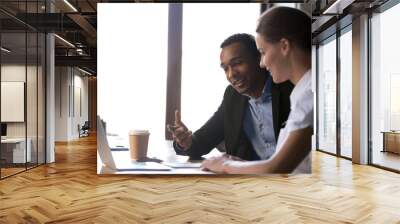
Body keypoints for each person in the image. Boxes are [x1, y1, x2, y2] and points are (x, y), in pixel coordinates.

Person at [201, 6, 313, 174]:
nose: (262, 63)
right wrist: (242, 165)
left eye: (262, 52)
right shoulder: (303, 91)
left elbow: (276, 167)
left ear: (284, 46)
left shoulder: (309, 94)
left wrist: (225, 165)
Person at [167, 33, 293, 161]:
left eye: (237, 63)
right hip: (251, 178)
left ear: (258, 59)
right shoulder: (233, 96)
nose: (231, 74)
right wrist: (185, 141)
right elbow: (202, 140)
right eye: (225, 68)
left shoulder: (289, 90)